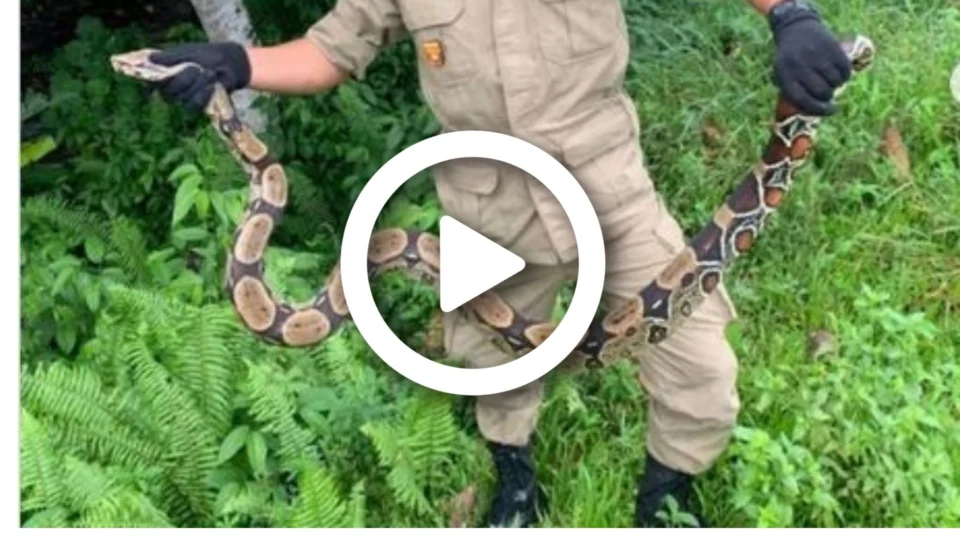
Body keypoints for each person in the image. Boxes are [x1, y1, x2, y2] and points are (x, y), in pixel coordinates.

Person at [148, 0, 851, 527]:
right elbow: (334, 50)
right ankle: (515, 477)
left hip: (610, 187)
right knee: (491, 362)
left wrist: (790, 15)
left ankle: (667, 494)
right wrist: (238, 66)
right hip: (488, 208)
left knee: (700, 362)